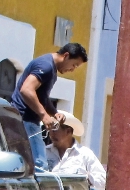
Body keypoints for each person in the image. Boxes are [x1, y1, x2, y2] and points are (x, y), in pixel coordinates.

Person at [11, 43, 88, 171]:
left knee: (27, 166)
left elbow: (42, 97)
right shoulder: (46, 66)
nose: (73, 69)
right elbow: (26, 90)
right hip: (25, 120)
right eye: (74, 64)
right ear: (66, 55)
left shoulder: (50, 68)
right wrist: (44, 116)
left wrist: (54, 113)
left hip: (26, 120)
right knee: (39, 166)